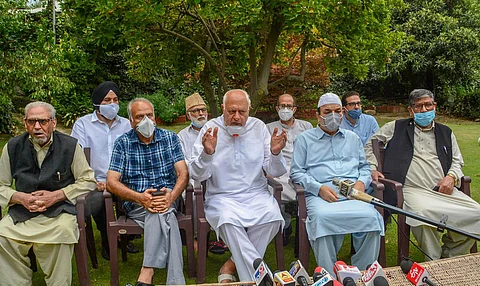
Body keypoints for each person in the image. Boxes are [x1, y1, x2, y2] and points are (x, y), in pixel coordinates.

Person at [365, 89, 480, 261]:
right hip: (411, 190)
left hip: (443, 191)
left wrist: (452, 177)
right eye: (419, 106)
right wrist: (373, 167)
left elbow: (457, 161)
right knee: (420, 214)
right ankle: (432, 260)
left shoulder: (446, 132)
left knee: (477, 214)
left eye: (428, 105)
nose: (424, 110)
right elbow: (370, 145)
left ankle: (450, 256)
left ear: (435, 107)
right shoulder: (395, 127)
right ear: (411, 110)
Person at [189, 89, 287, 283]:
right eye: (231, 111)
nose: (236, 117)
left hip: (256, 194)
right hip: (221, 196)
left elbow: (274, 171)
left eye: (242, 112)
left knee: (273, 217)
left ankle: (234, 266)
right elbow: (197, 174)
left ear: (249, 110)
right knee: (228, 220)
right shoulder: (210, 128)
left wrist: (275, 153)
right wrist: (207, 154)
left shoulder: (259, 128)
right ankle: (261, 277)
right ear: (223, 109)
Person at [0, 101, 96, 285]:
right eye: (32, 122)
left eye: (43, 121)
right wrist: (20, 198)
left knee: (63, 232)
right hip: (23, 212)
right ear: (25, 123)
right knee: (3, 234)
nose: (37, 127)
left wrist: (57, 196)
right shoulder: (12, 147)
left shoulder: (70, 145)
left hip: (59, 212)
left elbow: (88, 180)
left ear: (53, 122)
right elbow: (1, 184)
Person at [290, 92, 384, 275]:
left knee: (372, 217)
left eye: (337, 111)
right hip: (321, 194)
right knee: (323, 218)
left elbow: (364, 167)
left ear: (342, 113)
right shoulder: (304, 139)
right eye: (327, 111)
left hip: (353, 194)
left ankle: (362, 273)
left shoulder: (352, 138)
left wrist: (361, 183)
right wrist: (319, 189)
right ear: (318, 115)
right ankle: (330, 275)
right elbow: (296, 172)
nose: (333, 115)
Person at [106, 98, 188, 286]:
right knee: (166, 217)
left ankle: (146, 275)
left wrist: (171, 197)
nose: (146, 120)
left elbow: (183, 173)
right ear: (131, 121)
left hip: (168, 198)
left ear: (155, 117)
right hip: (136, 202)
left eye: (149, 115)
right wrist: (140, 198)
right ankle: (175, 282)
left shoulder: (170, 138)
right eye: (140, 117)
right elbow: (111, 182)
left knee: (161, 210)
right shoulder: (123, 143)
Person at [71, 81, 133, 260]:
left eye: (115, 99)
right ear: (98, 103)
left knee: (131, 197)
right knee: (99, 201)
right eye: (107, 100)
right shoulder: (83, 124)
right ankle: (108, 240)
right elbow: (77, 156)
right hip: (96, 181)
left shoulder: (126, 125)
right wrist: (92, 180)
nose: (112, 104)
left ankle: (126, 235)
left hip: (123, 179)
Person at [266, 93, 313, 245]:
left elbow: (313, 152)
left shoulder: (306, 127)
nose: (285, 109)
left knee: (309, 190)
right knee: (269, 189)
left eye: (289, 106)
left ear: (294, 109)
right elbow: (266, 155)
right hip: (279, 171)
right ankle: (284, 225)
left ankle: (306, 228)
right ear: (276, 108)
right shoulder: (269, 129)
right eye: (282, 106)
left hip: (303, 170)